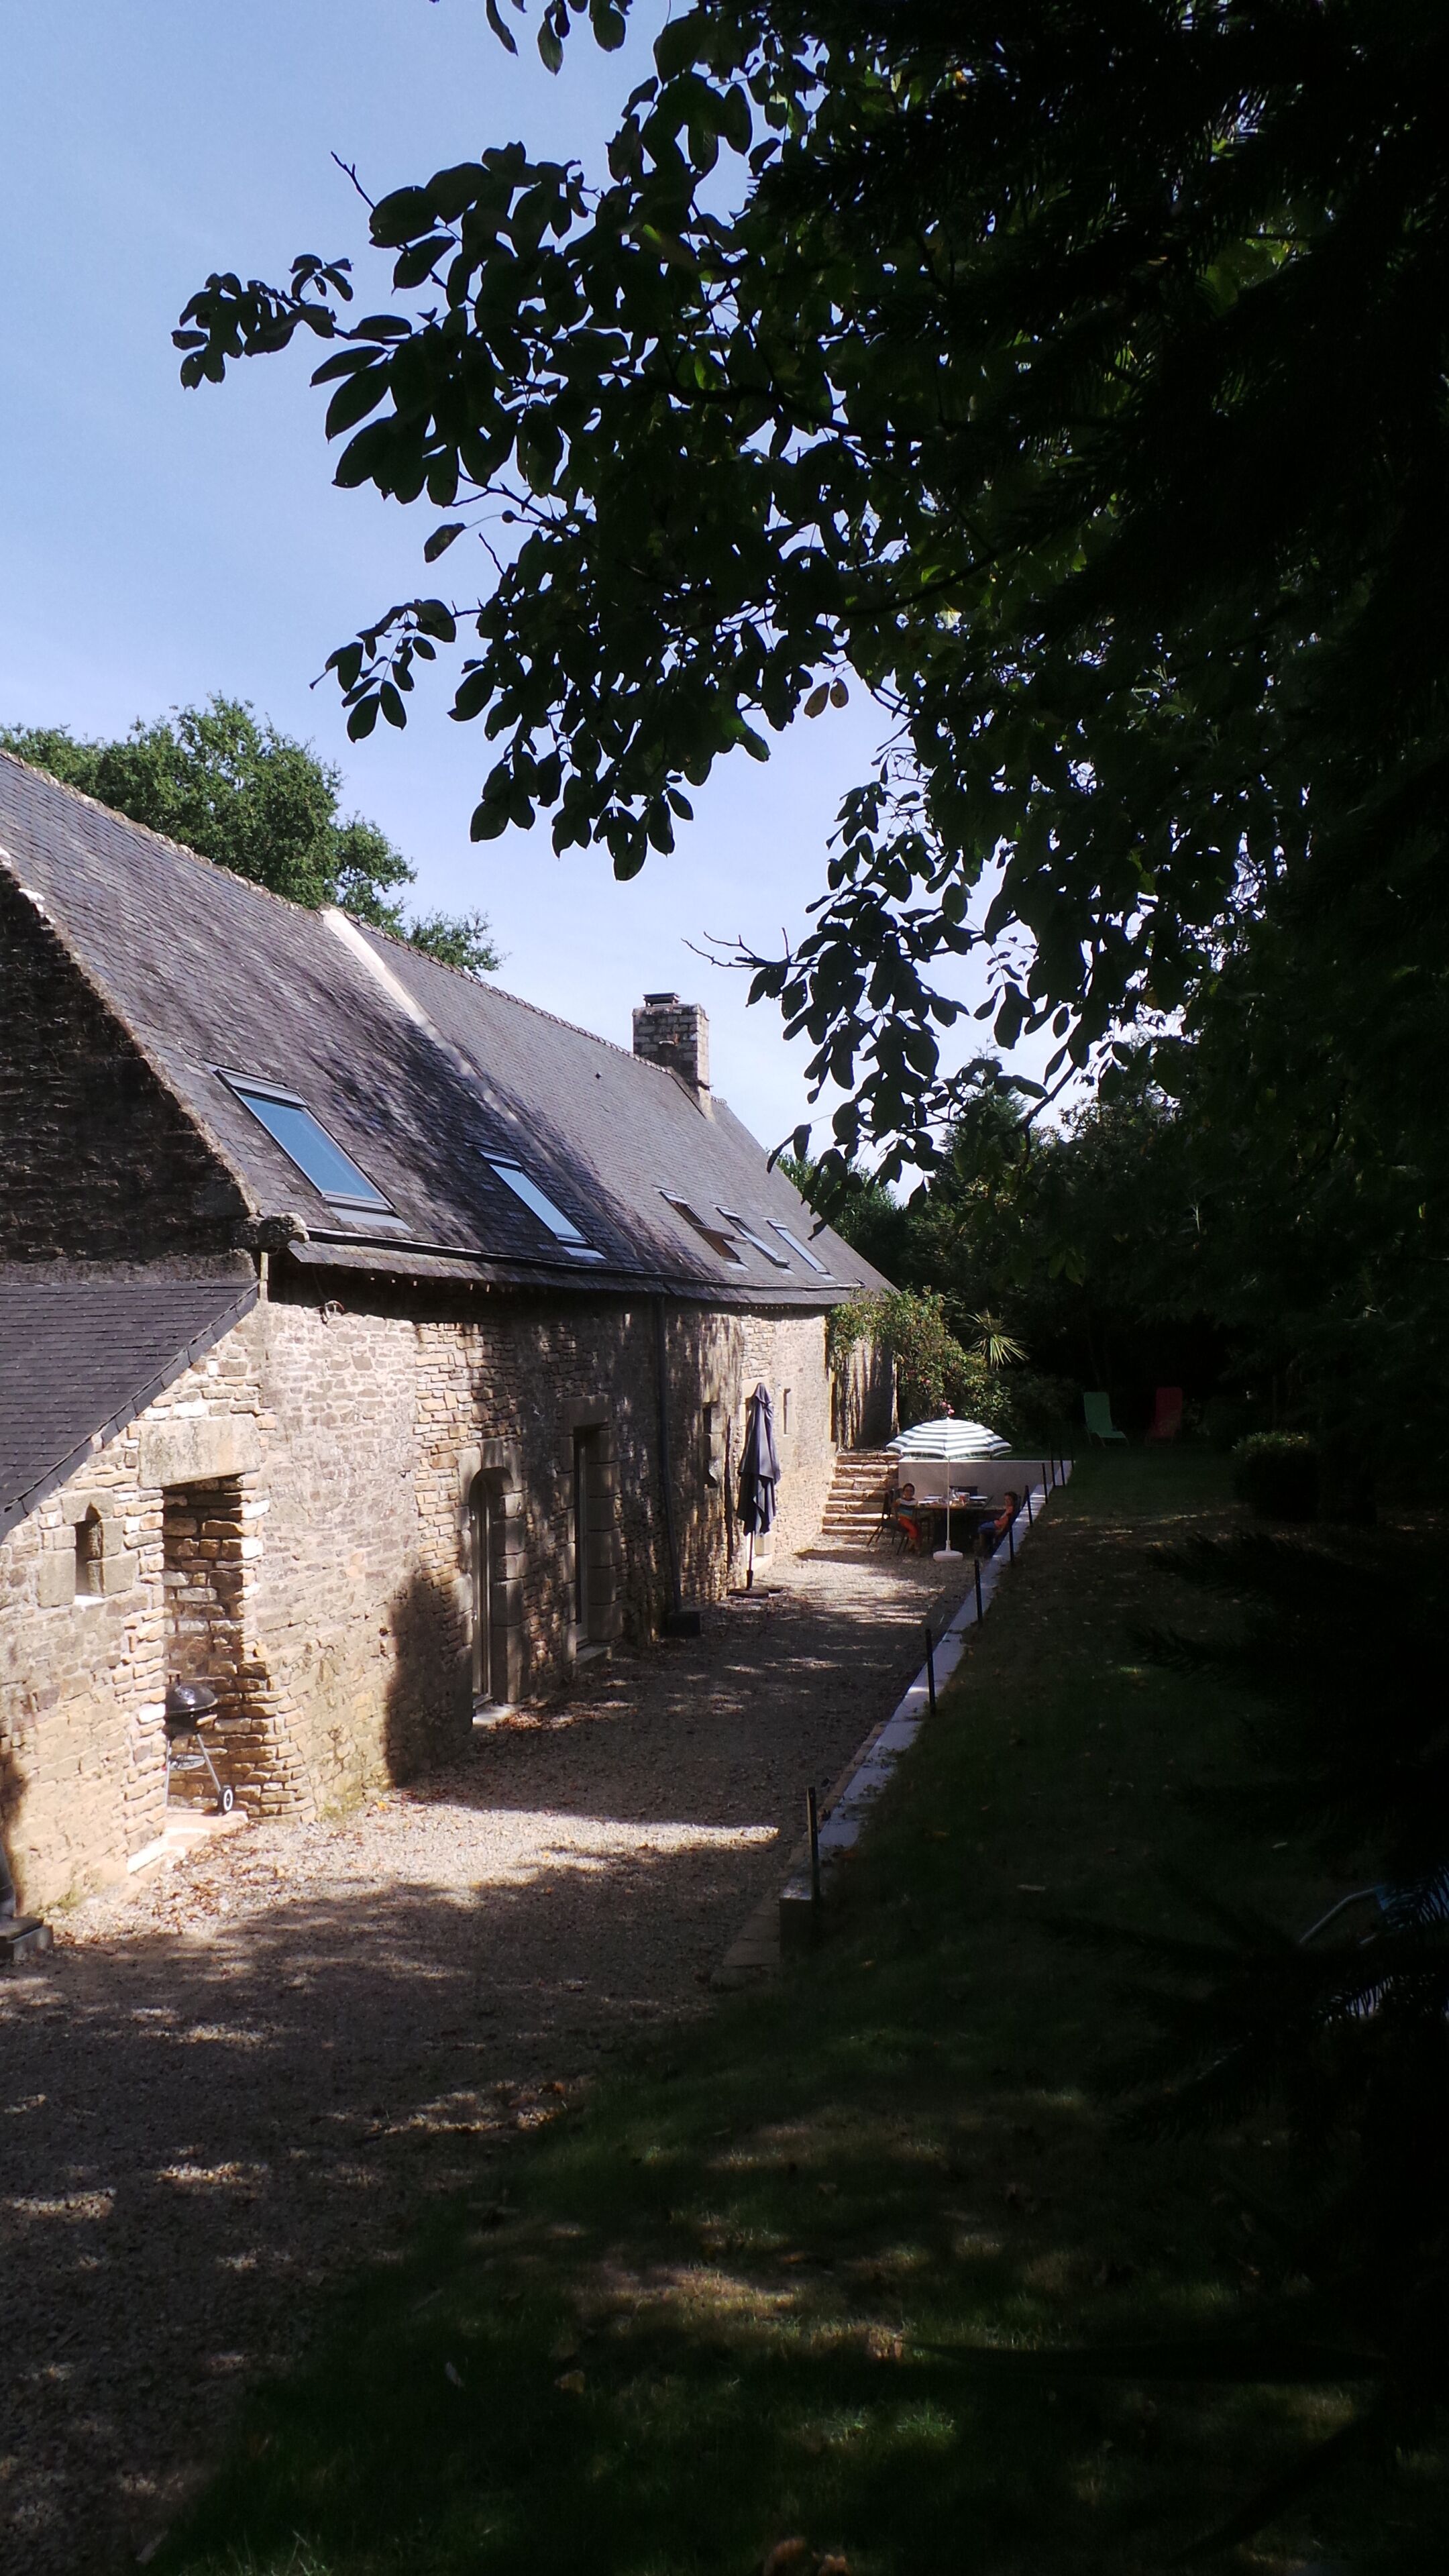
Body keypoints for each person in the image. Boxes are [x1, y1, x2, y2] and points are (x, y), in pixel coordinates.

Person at [978, 1490, 1020, 1557]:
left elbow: (1007, 1523)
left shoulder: (1010, 1510)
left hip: (998, 1525)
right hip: (997, 1522)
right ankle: (985, 1547)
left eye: (1009, 1500)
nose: (1006, 1502)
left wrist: (1001, 1531)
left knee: (981, 1528)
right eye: (1005, 1500)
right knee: (983, 1526)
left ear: (1013, 1501)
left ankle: (983, 1549)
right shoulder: (1009, 1508)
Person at [896, 1481, 924, 1552]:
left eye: (911, 1491)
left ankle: (912, 1545)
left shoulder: (915, 1502)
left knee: (919, 1530)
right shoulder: (900, 1501)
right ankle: (916, 1547)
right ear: (904, 1492)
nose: (909, 1493)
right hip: (903, 1519)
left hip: (912, 1519)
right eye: (907, 1491)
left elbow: (917, 1510)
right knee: (912, 1529)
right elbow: (894, 1507)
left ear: (914, 1493)